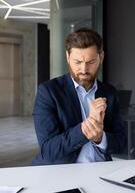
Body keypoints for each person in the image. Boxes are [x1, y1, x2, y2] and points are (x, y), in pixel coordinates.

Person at [32, 28, 126, 165]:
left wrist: (100, 138)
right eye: (77, 62)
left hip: (101, 171)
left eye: (90, 62)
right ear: (67, 57)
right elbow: (49, 150)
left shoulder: (109, 92)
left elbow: (121, 143)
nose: (83, 70)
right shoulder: (48, 92)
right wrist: (85, 129)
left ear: (101, 57)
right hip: (63, 174)